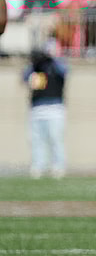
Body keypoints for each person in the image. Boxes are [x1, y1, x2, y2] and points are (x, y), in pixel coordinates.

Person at [23, 40, 68, 179]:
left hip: (54, 108)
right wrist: (35, 63)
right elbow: (24, 77)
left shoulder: (58, 64)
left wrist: (52, 59)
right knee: (36, 139)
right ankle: (38, 165)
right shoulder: (37, 66)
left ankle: (58, 165)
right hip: (37, 108)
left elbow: (65, 71)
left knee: (55, 138)